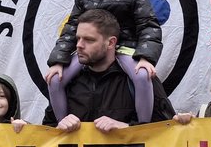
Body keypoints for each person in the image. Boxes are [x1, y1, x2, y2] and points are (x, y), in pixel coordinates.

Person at [46, 0, 162, 104]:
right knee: (54, 79)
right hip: (91, 50)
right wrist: (58, 61)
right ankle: (63, 120)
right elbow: (71, 29)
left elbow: (148, 27)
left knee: (143, 76)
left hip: (125, 48)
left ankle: (143, 120)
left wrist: (145, 58)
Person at [42, 9, 173, 132]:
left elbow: (167, 132)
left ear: (111, 43)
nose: (79, 45)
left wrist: (126, 128)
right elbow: (46, 133)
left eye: (89, 40)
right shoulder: (66, 80)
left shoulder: (139, 77)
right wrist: (59, 128)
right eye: (78, 38)